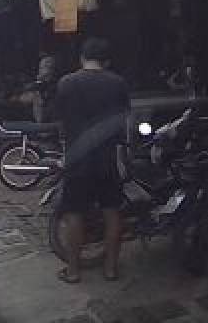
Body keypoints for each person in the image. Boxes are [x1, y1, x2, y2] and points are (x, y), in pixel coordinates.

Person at [50, 37, 131, 284]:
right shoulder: (118, 83)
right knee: (112, 212)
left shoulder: (66, 83)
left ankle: (73, 272)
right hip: (108, 158)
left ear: (82, 58)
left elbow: (60, 121)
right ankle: (111, 269)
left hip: (78, 158)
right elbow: (124, 120)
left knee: (74, 213)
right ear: (107, 61)